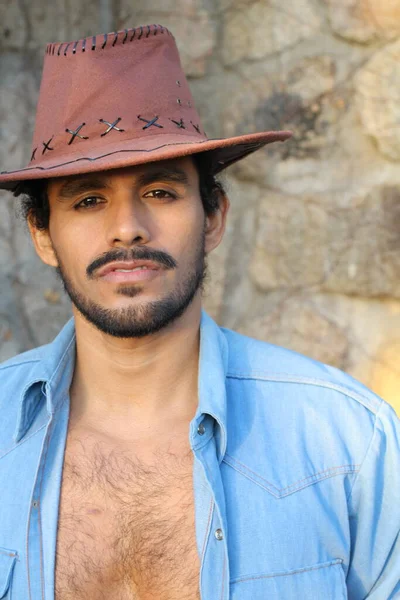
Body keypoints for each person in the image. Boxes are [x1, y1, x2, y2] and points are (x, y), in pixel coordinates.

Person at [0, 23, 398, 600]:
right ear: (42, 235)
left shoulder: (348, 445)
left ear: (213, 216)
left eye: (160, 192)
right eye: (88, 200)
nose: (126, 229)